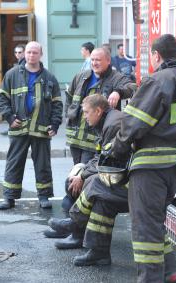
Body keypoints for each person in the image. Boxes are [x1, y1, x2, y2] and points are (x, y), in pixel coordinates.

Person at [108, 34, 176, 283]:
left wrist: (116, 150)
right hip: (174, 167)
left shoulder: (156, 81)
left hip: (150, 167)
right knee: (156, 222)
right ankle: (170, 273)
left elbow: (133, 124)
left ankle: (150, 279)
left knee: (145, 228)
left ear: (156, 55)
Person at [48, 94, 129, 266]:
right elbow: (101, 156)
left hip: (132, 181)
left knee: (95, 183)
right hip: (125, 175)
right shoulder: (108, 121)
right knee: (102, 202)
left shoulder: (113, 124)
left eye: (86, 112)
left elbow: (108, 160)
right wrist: (82, 170)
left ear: (98, 111)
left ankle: (74, 223)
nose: (84, 117)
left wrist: (83, 175)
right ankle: (99, 252)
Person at [0, 41, 63, 210]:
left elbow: (57, 104)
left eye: (35, 52)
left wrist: (55, 124)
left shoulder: (50, 78)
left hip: (41, 130)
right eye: (28, 52)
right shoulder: (12, 75)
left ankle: (44, 196)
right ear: (24, 54)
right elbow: (2, 98)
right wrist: (10, 117)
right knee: (14, 163)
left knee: (42, 164)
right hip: (19, 127)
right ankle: (9, 197)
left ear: (41, 55)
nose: (31, 55)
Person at [66, 47, 134, 166]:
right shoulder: (80, 77)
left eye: (98, 60)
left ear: (108, 61)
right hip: (75, 139)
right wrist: (68, 115)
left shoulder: (116, 78)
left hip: (95, 140)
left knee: (86, 174)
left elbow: (132, 87)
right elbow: (69, 98)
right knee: (77, 171)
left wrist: (118, 92)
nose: (94, 63)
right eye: (92, 60)